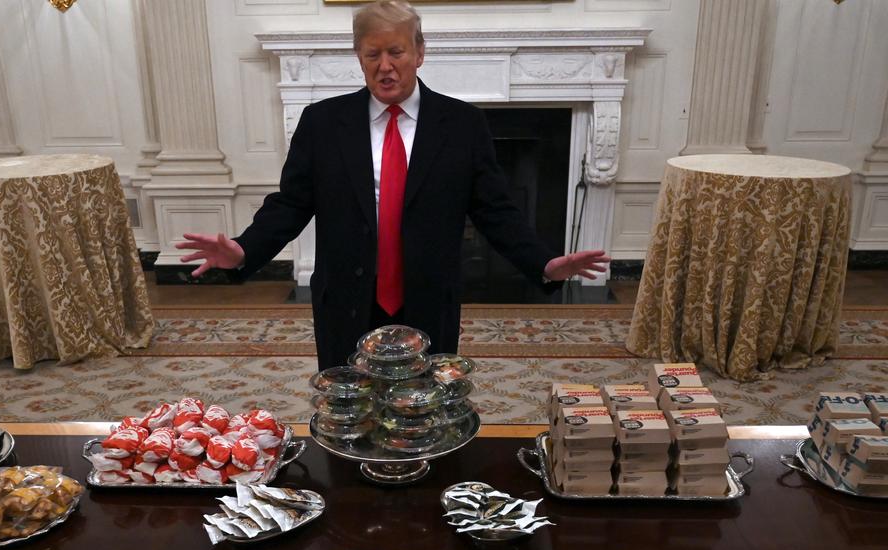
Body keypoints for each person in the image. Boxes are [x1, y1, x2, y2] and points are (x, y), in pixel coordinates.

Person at [178, 0, 609, 371]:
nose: (385, 66)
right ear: (358, 57)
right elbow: (290, 204)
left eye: (397, 51)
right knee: (349, 415)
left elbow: (496, 211)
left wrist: (544, 263)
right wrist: (243, 250)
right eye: (372, 54)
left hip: (427, 299)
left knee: (423, 414)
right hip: (346, 298)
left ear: (420, 52)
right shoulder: (323, 123)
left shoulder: (462, 126)